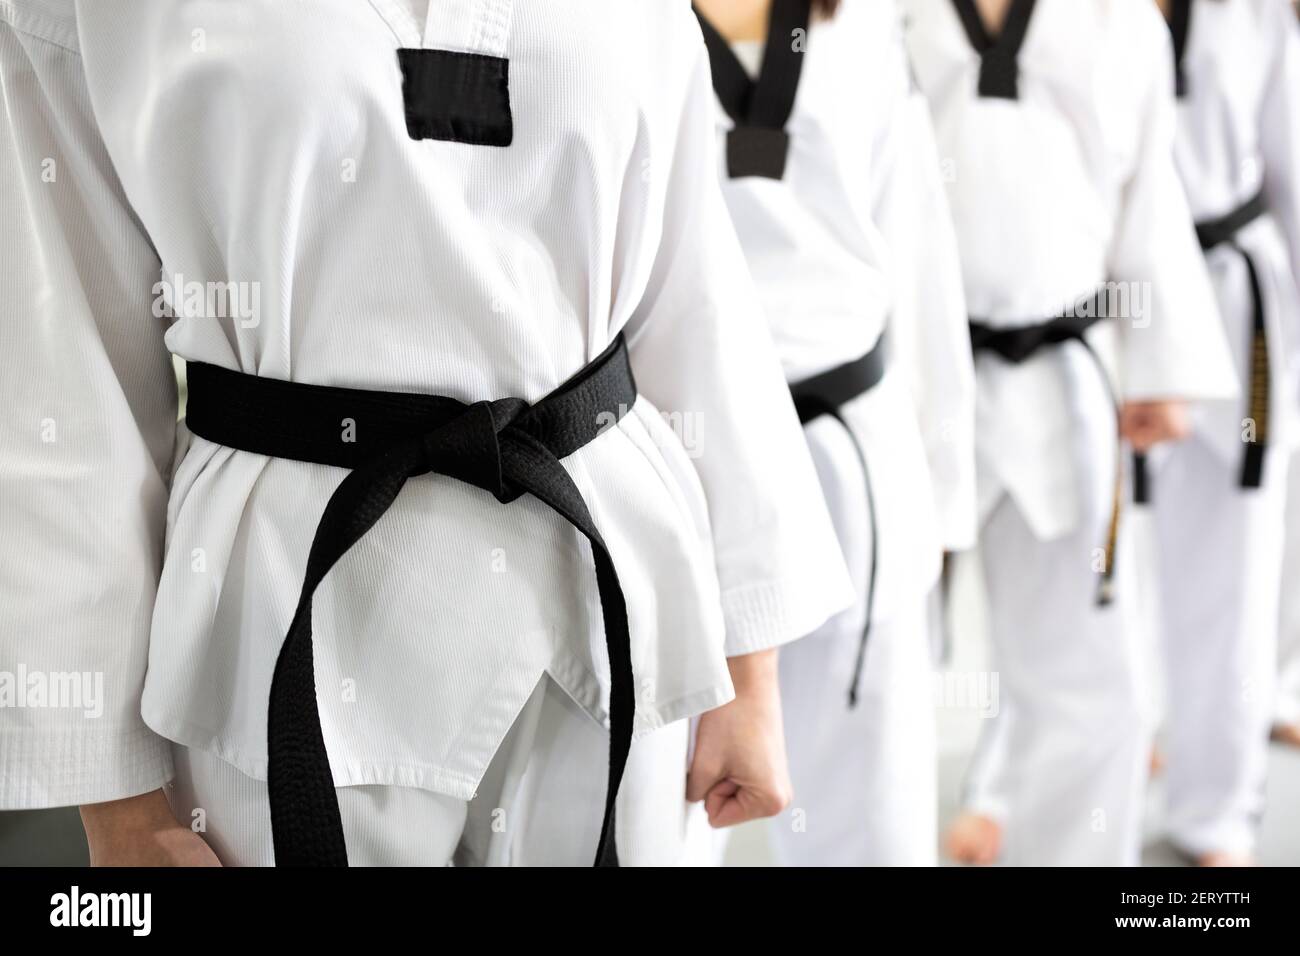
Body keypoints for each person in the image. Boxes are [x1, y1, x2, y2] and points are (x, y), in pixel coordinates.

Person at [0, 0, 854, 866]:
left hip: (609, 615)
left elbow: (692, 284)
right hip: (277, 641)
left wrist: (751, 667)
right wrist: (117, 807)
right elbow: (66, 382)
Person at [904, 0, 1237, 866]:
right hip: (907, 384)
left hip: (1063, 381)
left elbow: (1149, 194)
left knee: (1095, 677)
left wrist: (1164, 364)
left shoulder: (1120, 20)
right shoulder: (880, 15)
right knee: (882, 667)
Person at [692, 0, 975, 866]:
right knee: (666, 796)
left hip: (852, 445)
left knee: (870, 797)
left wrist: (944, 487)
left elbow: (919, 259)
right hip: (683, 456)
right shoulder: (616, 23)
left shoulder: (867, 26)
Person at [1143, 0, 1300, 867]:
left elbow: (1292, 172)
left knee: (1233, 577)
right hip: (1107, 314)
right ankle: (1070, 763)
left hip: (1237, 308)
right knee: (1083, 576)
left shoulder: (1255, 12)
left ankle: (1217, 813)